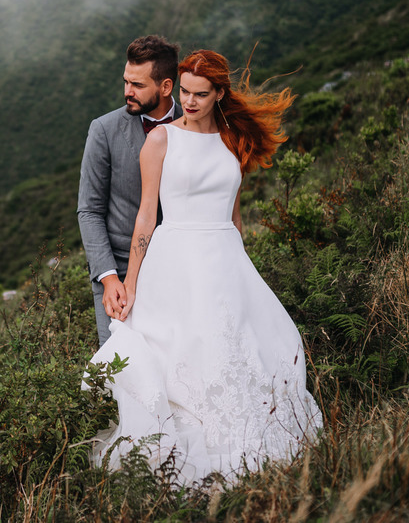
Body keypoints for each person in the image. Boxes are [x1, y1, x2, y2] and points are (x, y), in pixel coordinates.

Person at [88, 49, 322, 484]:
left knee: (249, 348)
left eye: (199, 94)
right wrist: (131, 281)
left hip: (226, 260)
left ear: (218, 94)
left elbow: (234, 215)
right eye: (184, 92)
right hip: (175, 261)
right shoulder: (161, 140)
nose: (189, 101)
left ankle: (250, 442)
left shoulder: (234, 139)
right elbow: (146, 216)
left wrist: (243, 270)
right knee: (186, 353)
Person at [78, 35, 179, 346]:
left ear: (165, 87)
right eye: (126, 81)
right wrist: (108, 277)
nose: (127, 92)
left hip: (180, 267)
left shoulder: (196, 126)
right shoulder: (104, 130)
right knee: (120, 365)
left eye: (137, 85)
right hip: (119, 273)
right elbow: (89, 210)